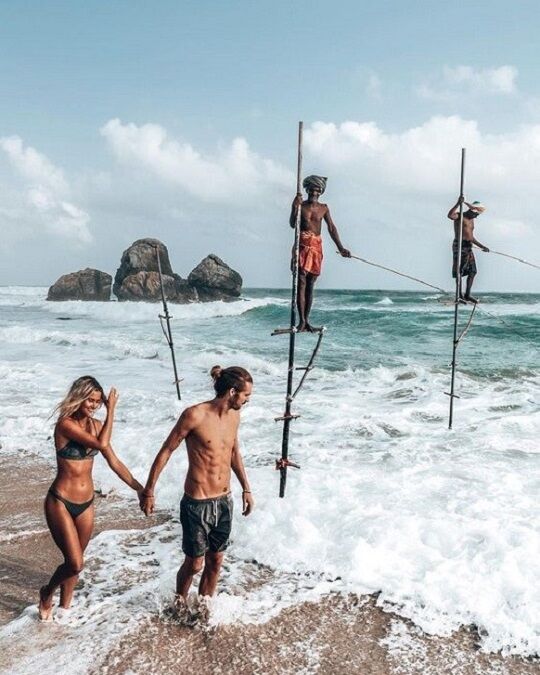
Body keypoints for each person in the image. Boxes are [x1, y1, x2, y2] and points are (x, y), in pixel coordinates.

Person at [140, 366, 254, 611]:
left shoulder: (235, 416)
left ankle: (204, 611)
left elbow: (233, 453)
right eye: (246, 396)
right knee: (194, 564)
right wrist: (149, 490)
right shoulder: (195, 415)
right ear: (233, 392)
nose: (247, 401)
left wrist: (246, 488)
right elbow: (166, 451)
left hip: (224, 500)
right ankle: (179, 604)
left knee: (216, 561)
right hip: (197, 503)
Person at [38, 376, 143, 621]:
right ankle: (46, 592)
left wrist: (139, 488)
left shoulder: (97, 426)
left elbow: (114, 461)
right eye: (90, 400)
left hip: (86, 504)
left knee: (76, 562)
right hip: (61, 501)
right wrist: (112, 409)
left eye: (98, 401)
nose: (94, 405)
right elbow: (99, 443)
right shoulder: (65, 424)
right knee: (75, 563)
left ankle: (64, 611)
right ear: (79, 397)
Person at [289, 175, 351, 331]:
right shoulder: (301, 205)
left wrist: (341, 248)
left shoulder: (324, 208)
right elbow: (292, 224)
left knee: (311, 284)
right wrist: (294, 207)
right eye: (312, 189)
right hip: (302, 246)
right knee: (301, 282)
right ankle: (301, 321)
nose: (314, 192)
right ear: (307, 189)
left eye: (317, 189)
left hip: (316, 247)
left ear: (321, 191)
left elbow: (331, 228)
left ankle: (306, 320)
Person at [447, 197, 490, 303]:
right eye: (476, 214)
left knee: (473, 271)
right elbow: (450, 216)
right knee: (459, 271)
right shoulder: (460, 216)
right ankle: (459, 295)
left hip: (468, 246)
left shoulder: (472, 221)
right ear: (472, 210)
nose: (477, 216)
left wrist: (482, 246)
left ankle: (467, 294)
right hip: (460, 246)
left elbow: (471, 237)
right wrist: (458, 203)